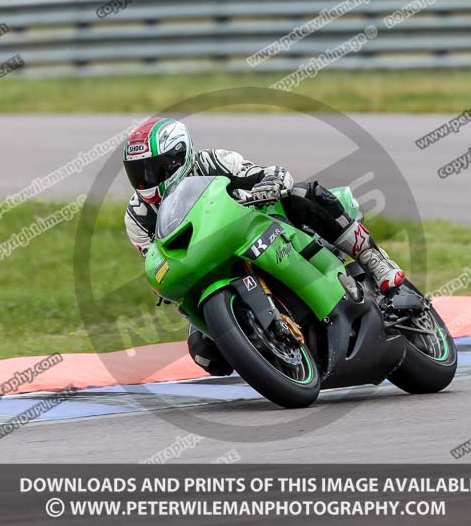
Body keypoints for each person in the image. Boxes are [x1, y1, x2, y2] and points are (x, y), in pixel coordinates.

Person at [123, 117, 404, 376]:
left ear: (180, 156)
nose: (147, 180)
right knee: (207, 355)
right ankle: (268, 349)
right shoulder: (137, 216)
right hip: (204, 263)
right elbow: (157, 258)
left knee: (304, 193)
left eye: (156, 169)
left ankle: (373, 258)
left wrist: (269, 185)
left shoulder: (214, 161)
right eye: (138, 173)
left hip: (257, 227)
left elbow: (268, 174)